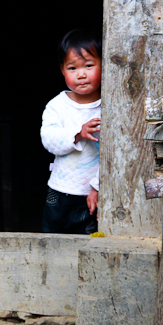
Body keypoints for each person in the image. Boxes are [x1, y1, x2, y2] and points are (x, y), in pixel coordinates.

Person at [40, 28, 101, 235]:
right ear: (62, 70)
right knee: (52, 240)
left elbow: (118, 154)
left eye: (89, 66)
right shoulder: (57, 106)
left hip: (93, 194)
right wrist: (78, 133)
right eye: (73, 68)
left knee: (91, 242)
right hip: (60, 190)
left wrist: (98, 187)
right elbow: (49, 140)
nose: (81, 74)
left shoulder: (111, 106)